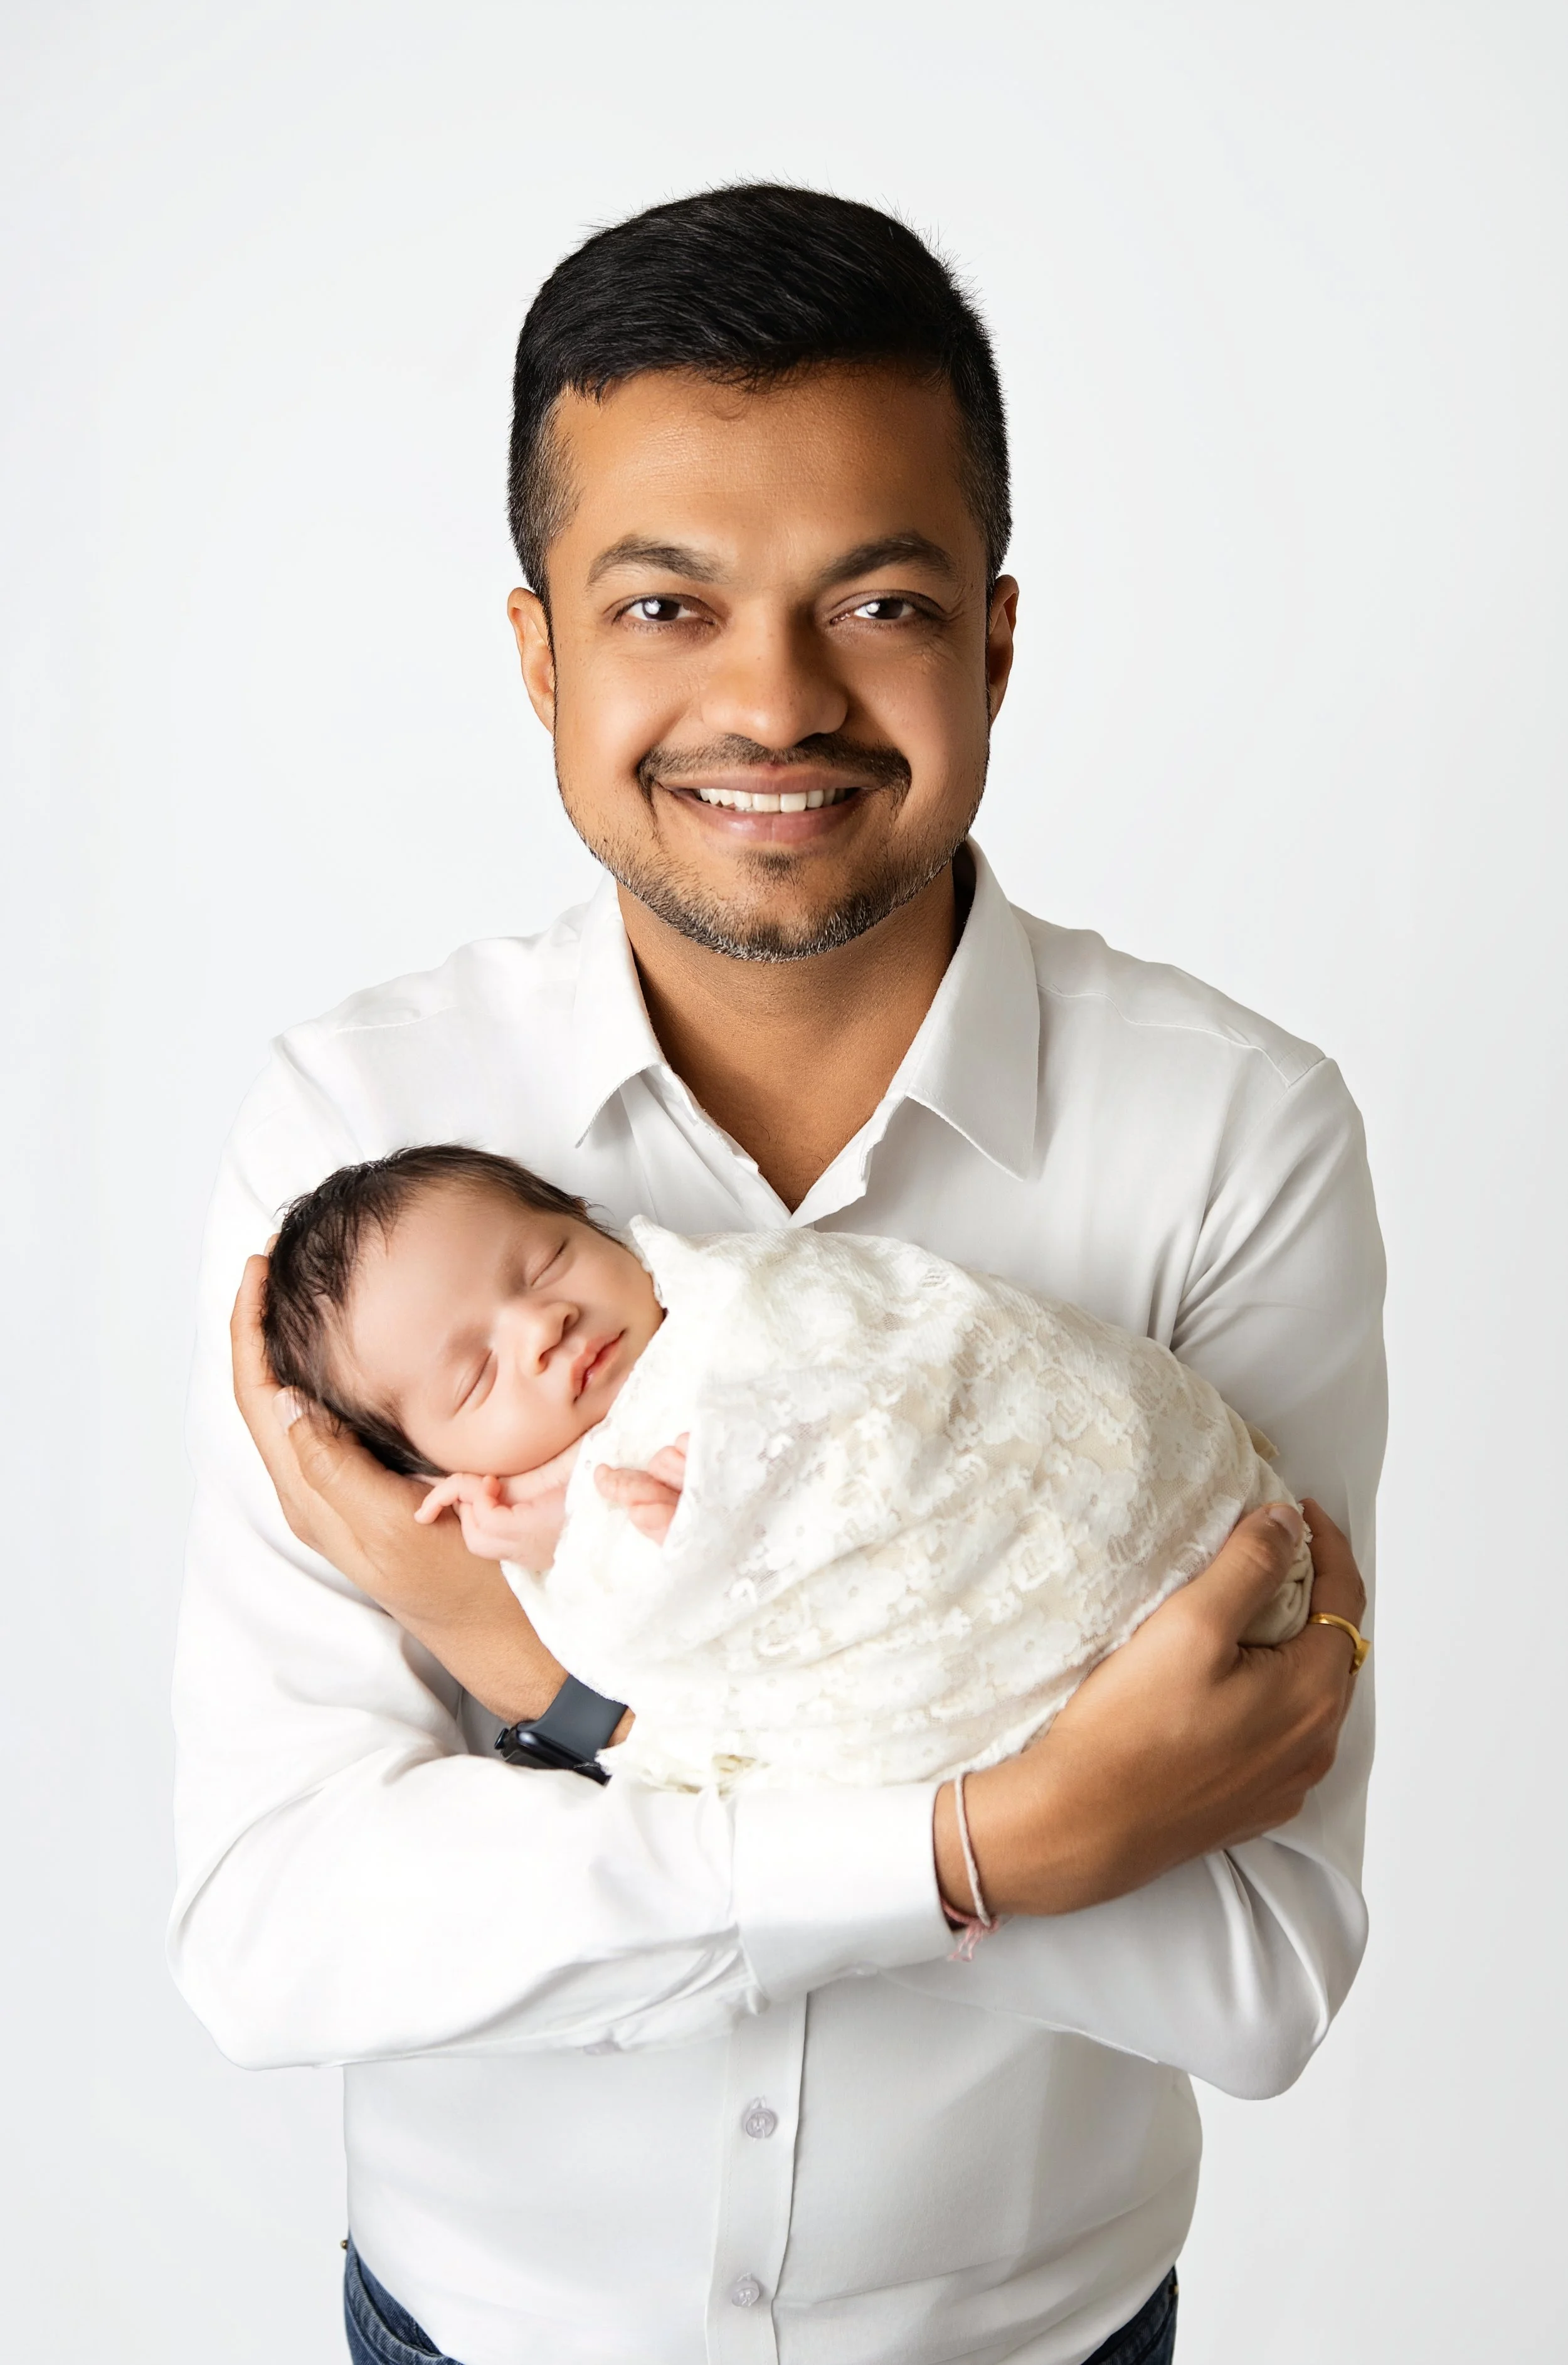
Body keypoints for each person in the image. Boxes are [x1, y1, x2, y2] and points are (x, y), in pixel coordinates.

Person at [171, 185, 1381, 2365]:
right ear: (538, 652)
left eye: (881, 599)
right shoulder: (359, 1142)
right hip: (466, 2329)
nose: (773, 702)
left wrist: (549, 1705)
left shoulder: (1233, 1139)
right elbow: (278, 1931)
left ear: (996, 639)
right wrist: (1006, 1841)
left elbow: (1259, 1969)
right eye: (663, 604)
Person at [260, 1142, 1317, 1799]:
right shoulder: (538, 1529)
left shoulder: (736, 1304)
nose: (543, 1325)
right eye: (477, 1375)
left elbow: (913, 1360)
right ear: (435, 1477)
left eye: (545, 1262)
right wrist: (576, 1538)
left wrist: (729, 1469)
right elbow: (659, 1631)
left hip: (1162, 1529)